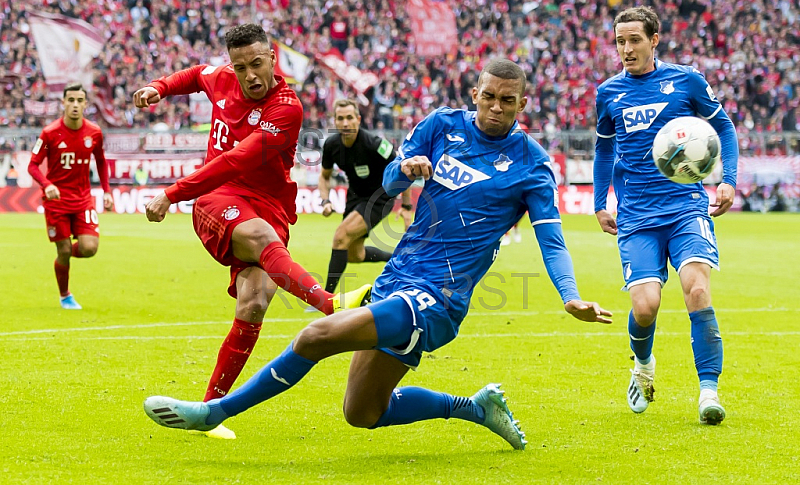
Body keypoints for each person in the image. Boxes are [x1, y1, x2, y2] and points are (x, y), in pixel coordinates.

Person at [143, 58, 612, 450]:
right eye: (489, 96)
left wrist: (569, 295)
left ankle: (214, 412)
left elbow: (552, 238)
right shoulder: (440, 126)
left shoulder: (533, 165)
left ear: (522, 104)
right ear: (475, 93)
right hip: (397, 276)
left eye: (507, 100)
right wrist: (403, 171)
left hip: (440, 299)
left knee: (315, 336)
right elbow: (388, 186)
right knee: (363, 412)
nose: (496, 107)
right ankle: (475, 407)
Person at [132, 24, 371, 440]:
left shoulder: (286, 108)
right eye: (241, 66)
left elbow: (239, 159)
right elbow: (194, 75)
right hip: (216, 198)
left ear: (273, 59)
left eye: (257, 63)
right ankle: (329, 303)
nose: (249, 75)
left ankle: (209, 413)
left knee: (254, 303)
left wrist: (171, 192)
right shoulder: (221, 77)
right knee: (263, 240)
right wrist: (160, 87)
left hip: (269, 206)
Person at [592, 7, 739, 425]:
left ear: (654, 40)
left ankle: (708, 392)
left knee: (696, 289)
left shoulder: (685, 80)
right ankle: (642, 366)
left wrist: (727, 179)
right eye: (620, 41)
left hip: (685, 206)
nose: (626, 49)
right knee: (645, 307)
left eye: (634, 40)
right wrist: (601, 201)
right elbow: (604, 148)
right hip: (637, 215)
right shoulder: (608, 92)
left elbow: (724, 128)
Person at [27, 83, 114, 310]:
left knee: (89, 248)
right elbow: (33, 166)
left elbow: (101, 162)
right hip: (56, 202)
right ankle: (65, 295)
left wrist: (106, 191)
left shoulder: (94, 132)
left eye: (79, 101)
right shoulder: (49, 133)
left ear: (85, 104)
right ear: (63, 103)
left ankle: (62, 258)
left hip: (83, 199)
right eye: (71, 100)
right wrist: (47, 185)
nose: (75, 105)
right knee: (64, 249)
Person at [319, 98, 413, 293]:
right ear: (335, 121)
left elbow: (403, 170)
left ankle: (325, 298)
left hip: (380, 197)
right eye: (340, 118)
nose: (345, 123)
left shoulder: (375, 144)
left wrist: (406, 207)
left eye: (349, 118)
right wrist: (326, 200)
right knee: (354, 254)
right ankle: (397, 258)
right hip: (355, 197)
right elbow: (324, 176)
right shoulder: (331, 145)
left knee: (340, 237)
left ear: (358, 119)